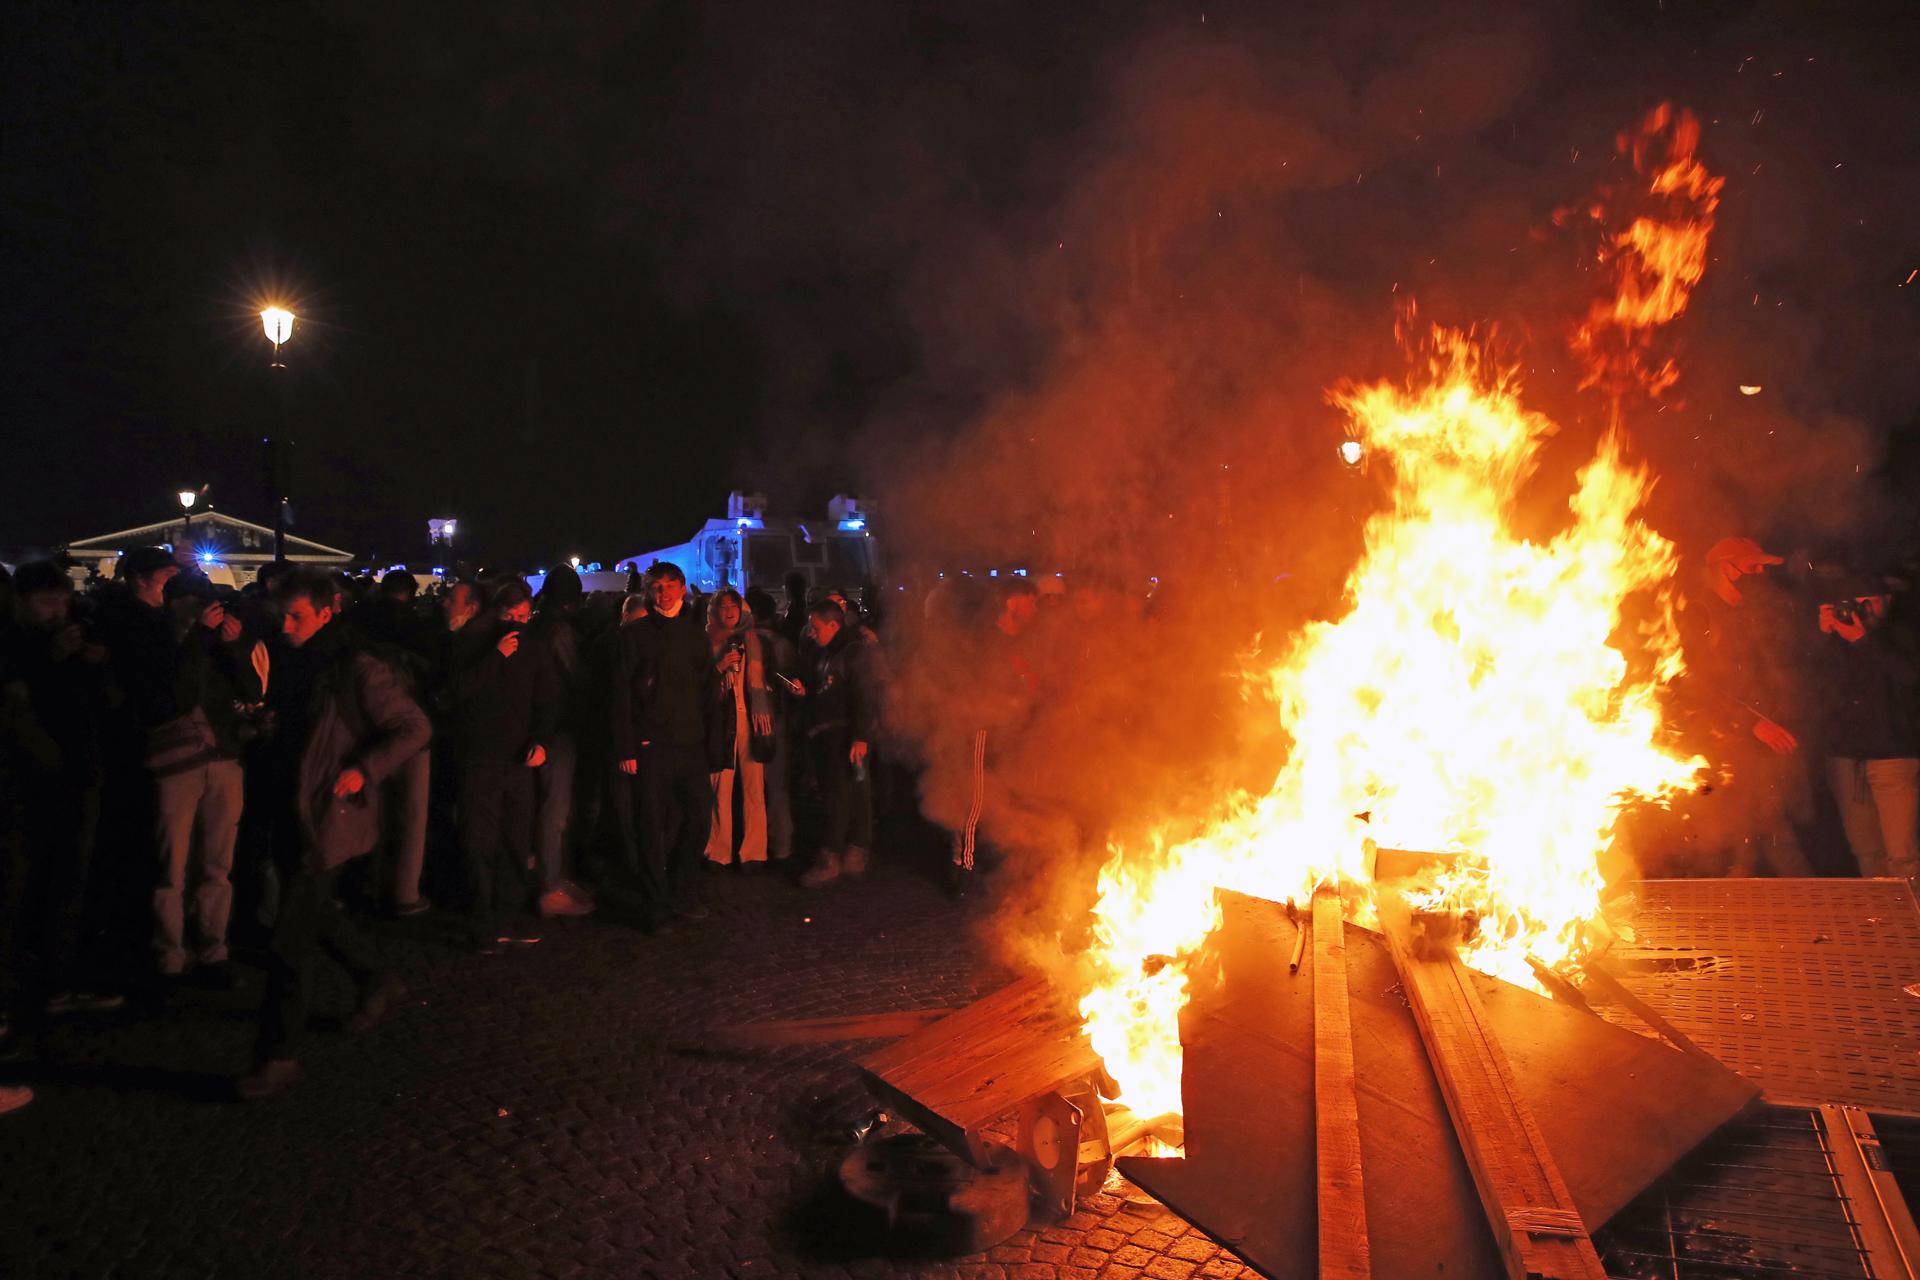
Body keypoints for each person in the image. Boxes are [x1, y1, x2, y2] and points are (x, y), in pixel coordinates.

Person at [239, 571, 430, 1099]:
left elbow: (414, 727)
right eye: (281, 615)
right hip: (291, 805)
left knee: (289, 939)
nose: (285, 625)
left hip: (329, 814)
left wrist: (365, 769)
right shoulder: (294, 657)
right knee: (314, 912)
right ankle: (374, 978)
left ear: (327, 613)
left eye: (296, 616)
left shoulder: (356, 666)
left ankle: (277, 1055)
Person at [101, 546, 263, 983]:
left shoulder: (208, 642)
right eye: (194, 602)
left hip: (222, 756)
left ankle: (213, 949)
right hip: (175, 761)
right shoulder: (157, 638)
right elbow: (171, 694)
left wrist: (231, 646)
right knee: (170, 866)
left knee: (217, 865)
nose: (203, 610)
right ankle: (169, 954)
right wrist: (197, 639)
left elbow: (250, 690)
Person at [0, 562, 122, 1017]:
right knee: (21, 884)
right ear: (21, 603)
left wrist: (99, 665)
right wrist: (51, 658)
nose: (57, 610)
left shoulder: (75, 641)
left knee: (70, 878)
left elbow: (110, 703)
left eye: (62, 601)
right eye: (46, 602)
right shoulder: (14, 645)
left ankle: (57, 979)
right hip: (27, 782)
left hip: (80, 774)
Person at [1683, 536, 1816, 877]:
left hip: (1755, 747)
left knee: (1765, 834)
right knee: (1740, 840)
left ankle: (1784, 893)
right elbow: (1698, 686)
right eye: (1752, 567)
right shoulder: (1698, 614)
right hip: (1717, 748)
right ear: (1724, 569)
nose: (1759, 574)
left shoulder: (1748, 614)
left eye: (1761, 568)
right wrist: (1751, 723)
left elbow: (1766, 677)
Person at [610, 562, 724, 930]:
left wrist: (713, 746)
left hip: (690, 744)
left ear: (682, 588)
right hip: (651, 745)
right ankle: (655, 904)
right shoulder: (633, 635)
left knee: (698, 819)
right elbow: (621, 696)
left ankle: (678, 889)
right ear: (648, 591)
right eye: (657, 587)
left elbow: (708, 694)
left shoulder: (695, 636)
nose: (663, 593)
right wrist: (627, 748)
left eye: (669, 586)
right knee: (650, 826)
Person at [445, 579, 555, 951]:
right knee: (480, 841)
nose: (517, 624)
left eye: (523, 617)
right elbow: (457, 693)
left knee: (515, 839)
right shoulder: (471, 644)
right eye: (510, 617)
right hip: (479, 758)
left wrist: (541, 740)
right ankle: (482, 921)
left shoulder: (534, 649)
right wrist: (495, 657)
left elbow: (546, 699)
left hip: (518, 759)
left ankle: (507, 914)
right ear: (496, 613)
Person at [1811, 568, 1919, 882]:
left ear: (1886, 600)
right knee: (1865, 851)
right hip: (1846, 757)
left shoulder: (1904, 633)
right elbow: (1810, 684)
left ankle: (1911, 912)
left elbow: (1910, 676)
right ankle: (1881, 910)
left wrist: (1863, 640)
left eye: (1868, 601)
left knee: (1902, 854)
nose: (1861, 610)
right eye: (1854, 603)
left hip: (1893, 756)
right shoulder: (1838, 639)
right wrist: (1823, 636)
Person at [794, 600, 878, 888]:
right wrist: (806, 692)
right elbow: (825, 689)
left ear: (833, 625)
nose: (811, 633)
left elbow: (864, 697)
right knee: (842, 795)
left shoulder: (853, 652)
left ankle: (835, 857)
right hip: (829, 736)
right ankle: (851, 853)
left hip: (845, 736)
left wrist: (861, 737)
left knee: (843, 797)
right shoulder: (826, 652)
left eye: (816, 627)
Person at [529, 566, 594, 917]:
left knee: (545, 806)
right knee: (555, 808)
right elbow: (575, 678)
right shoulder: (559, 630)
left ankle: (549, 874)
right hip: (557, 727)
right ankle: (550, 885)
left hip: (539, 725)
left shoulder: (537, 623)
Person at [702, 589, 770, 867]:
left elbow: (766, 678)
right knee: (720, 787)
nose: (729, 611)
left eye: (734, 606)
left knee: (754, 787)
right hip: (721, 721)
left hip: (751, 720)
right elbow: (697, 685)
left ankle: (754, 851)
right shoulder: (706, 641)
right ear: (715, 611)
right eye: (724, 606)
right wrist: (719, 668)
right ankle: (718, 851)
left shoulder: (752, 640)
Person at [744, 587, 795, 862]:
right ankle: (782, 844)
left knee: (754, 787)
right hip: (779, 719)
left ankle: (758, 843)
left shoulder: (746, 642)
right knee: (778, 786)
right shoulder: (783, 644)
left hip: (750, 719)